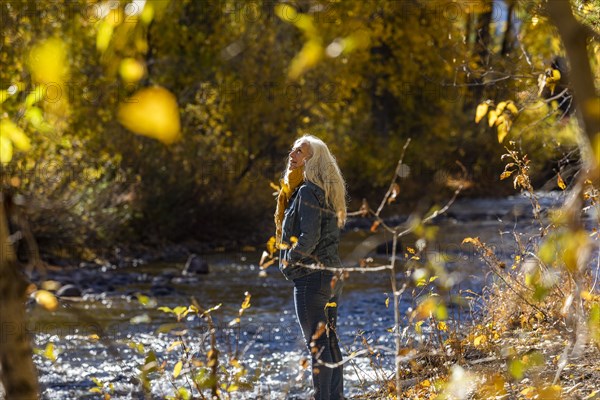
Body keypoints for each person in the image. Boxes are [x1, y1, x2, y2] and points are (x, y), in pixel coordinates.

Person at [274, 134, 347, 400]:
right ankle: (336, 397)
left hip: (311, 279)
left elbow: (309, 237)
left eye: (300, 152)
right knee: (329, 341)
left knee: (317, 345)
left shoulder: (306, 191)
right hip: (331, 277)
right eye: (292, 150)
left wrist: (288, 261)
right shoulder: (324, 191)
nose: (292, 155)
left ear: (312, 162)